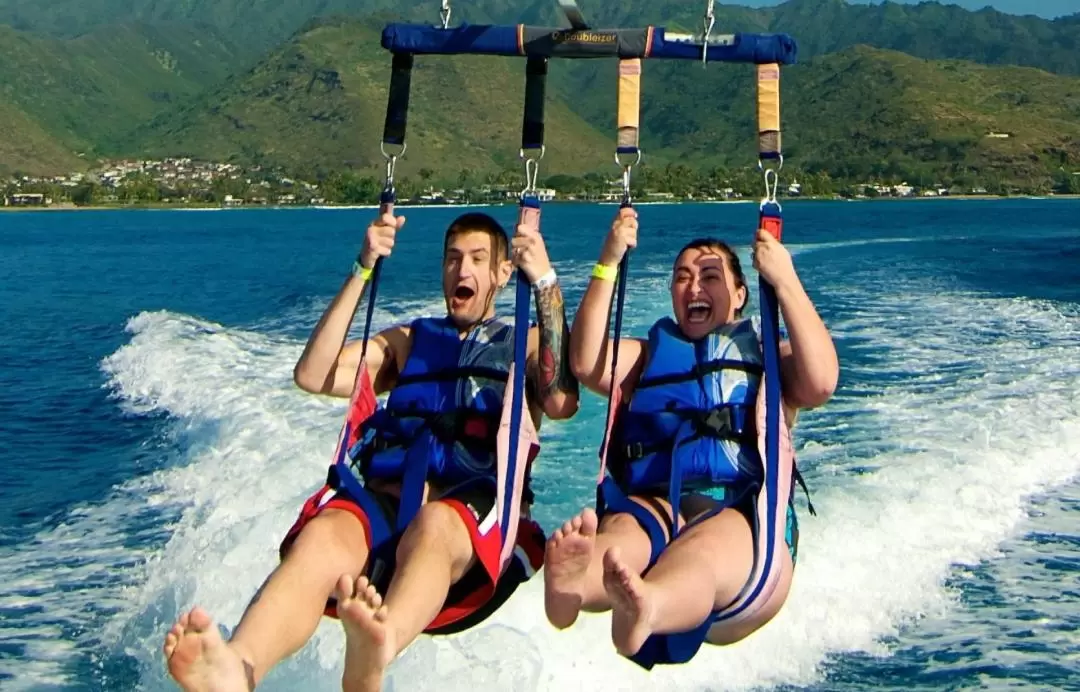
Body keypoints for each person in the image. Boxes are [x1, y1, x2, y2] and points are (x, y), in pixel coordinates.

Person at [163, 210, 579, 691]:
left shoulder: (522, 342)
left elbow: (560, 400)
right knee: (322, 536)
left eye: (478, 259)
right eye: (452, 259)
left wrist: (545, 281)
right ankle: (238, 667)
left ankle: (378, 647)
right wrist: (363, 266)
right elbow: (313, 374)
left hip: (473, 518)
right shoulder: (408, 341)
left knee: (436, 523)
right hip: (386, 509)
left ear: (504, 273)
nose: (461, 271)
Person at [543, 207, 837, 667]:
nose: (694, 286)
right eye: (682, 277)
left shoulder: (768, 359)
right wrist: (609, 259)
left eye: (710, 275)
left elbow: (820, 382)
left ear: (741, 294)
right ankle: (573, 587)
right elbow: (584, 362)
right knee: (622, 533)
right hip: (658, 502)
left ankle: (648, 605)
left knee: (700, 553)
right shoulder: (647, 356)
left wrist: (784, 279)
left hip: (741, 518)